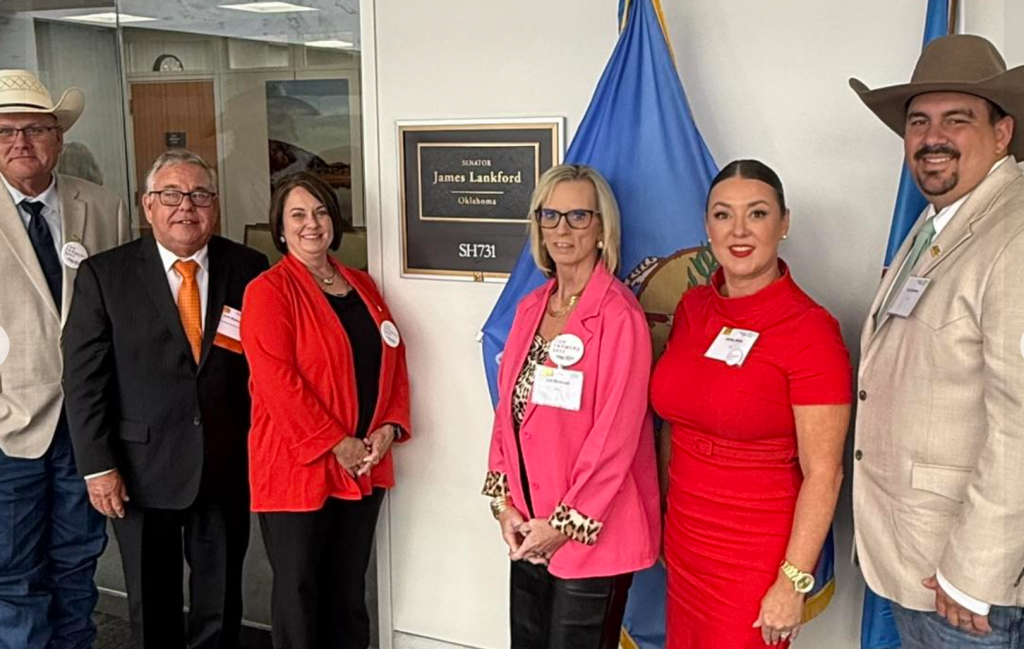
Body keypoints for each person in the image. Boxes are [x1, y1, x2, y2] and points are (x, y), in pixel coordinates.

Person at [849, 34, 1024, 647]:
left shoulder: (1014, 234)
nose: (933, 136)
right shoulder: (940, 222)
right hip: (919, 560)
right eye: (919, 121)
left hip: (970, 590)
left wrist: (975, 573)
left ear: (1002, 133)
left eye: (957, 118)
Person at [63, 149, 269, 648]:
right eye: (171, 195)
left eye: (199, 195)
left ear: (215, 205)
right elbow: (84, 380)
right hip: (139, 468)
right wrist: (98, 467)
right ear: (147, 205)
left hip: (224, 463)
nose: (186, 207)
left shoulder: (249, 268)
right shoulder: (105, 275)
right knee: (152, 603)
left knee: (221, 602)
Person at [651, 159, 851, 647]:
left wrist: (793, 581)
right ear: (707, 225)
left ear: (784, 224)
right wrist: (663, 515)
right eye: (723, 214)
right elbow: (675, 425)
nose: (739, 230)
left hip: (755, 557)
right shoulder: (693, 308)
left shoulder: (811, 331)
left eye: (757, 213)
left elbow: (825, 473)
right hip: (685, 540)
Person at [482, 164, 660, 649]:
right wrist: (504, 506)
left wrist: (563, 525)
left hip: (589, 538)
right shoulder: (532, 307)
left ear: (602, 228)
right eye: (551, 215)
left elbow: (615, 438)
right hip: (528, 528)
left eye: (578, 216)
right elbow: (508, 416)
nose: (563, 229)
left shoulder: (618, 315)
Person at [240, 172, 411, 649]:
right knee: (300, 591)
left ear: (333, 220)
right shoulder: (268, 291)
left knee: (348, 590)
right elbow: (278, 382)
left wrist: (389, 427)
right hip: (298, 467)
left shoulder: (362, 285)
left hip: (363, 464)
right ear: (280, 228)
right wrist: (338, 443)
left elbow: (393, 360)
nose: (311, 224)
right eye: (297, 215)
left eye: (319, 212)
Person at [0, 69, 129, 649]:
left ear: (59, 137)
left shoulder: (102, 206)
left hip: (87, 430)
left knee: (78, 565)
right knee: (13, 576)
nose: (21, 142)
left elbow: (126, 317)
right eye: (6, 131)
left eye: (35, 129)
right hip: (9, 430)